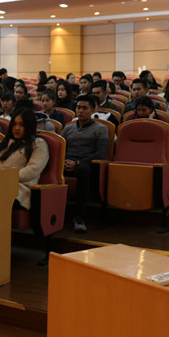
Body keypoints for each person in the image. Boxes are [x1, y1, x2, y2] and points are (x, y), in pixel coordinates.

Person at [60, 95, 108, 234]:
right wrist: (63, 162)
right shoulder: (68, 129)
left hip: (86, 163)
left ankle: (79, 217)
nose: (80, 111)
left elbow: (100, 154)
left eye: (85, 108)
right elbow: (60, 149)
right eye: (78, 107)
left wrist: (77, 163)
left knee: (83, 170)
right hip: (67, 162)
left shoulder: (101, 129)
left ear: (93, 110)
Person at [0, 108, 49, 210]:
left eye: (22, 125)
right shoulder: (4, 143)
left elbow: (32, 170)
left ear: (29, 126)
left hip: (20, 189)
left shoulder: (38, 143)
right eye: (14, 124)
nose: (16, 128)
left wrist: (4, 177)